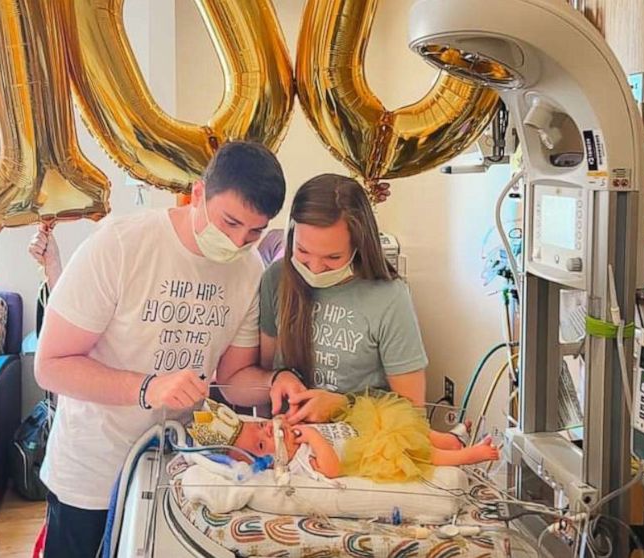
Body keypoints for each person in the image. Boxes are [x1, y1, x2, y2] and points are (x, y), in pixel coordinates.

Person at [34, 141, 300, 558]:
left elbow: (232, 381)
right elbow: (51, 366)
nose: (236, 242)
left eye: (254, 232)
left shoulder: (250, 271)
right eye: (229, 223)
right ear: (198, 194)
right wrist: (148, 388)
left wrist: (276, 383)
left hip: (177, 471)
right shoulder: (122, 245)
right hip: (91, 476)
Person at [259, 174, 428, 424]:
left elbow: (413, 410)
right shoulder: (276, 278)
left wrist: (345, 406)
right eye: (303, 251)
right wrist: (277, 379)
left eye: (333, 258)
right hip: (290, 439)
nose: (315, 268)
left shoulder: (389, 297)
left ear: (359, 247)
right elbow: (262, 374)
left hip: (362, 444)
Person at [188, 396, 499, 484]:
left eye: (258, 428)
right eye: (259, 445)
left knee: (414, 428)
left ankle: (453, 438)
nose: (266, 432)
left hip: (367, 428)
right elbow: (332, 469)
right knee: (420, 455)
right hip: (373, 452)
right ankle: (471, 455)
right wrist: (311, 437)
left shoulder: (291, 430)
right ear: (269, 462)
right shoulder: (297, 463)